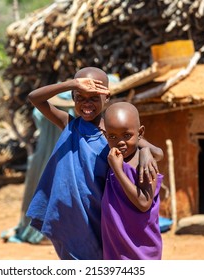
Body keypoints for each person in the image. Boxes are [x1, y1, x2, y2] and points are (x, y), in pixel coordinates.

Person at [26, 67, 163, 260]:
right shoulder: (69, 124)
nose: (86, 104)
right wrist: (72, 84)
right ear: (73, 98)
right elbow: (34, 98)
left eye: (93, 98)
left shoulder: (113, 133)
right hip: (69, 217)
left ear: (106, 97)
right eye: (80, 97)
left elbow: (157, 152)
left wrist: (146, 151)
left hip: (99, 216)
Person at [1, 92, 74, 244]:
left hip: (46, 155)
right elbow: (34, 98)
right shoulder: (67, 115)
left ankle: (45, 232)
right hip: (56, 154)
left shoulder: (67, 114)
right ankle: (45, 232)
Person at [102, 101, 163, 260]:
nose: (120, 142)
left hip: (141, 248)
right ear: (105, 135)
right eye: (113, 136)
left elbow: (144, 203)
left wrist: (117, 169)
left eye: (127, 135)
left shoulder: (145, 164)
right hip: (116, 244)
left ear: (140, 132)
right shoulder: (116, 157)